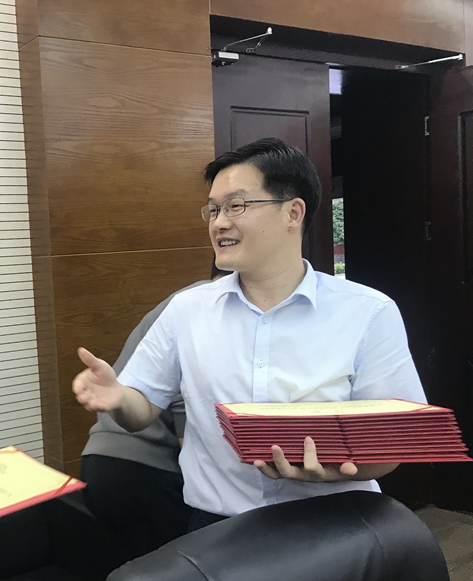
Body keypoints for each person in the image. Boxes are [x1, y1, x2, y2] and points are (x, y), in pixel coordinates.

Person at [73, 137, 426, 532]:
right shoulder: (186, 310)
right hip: (218, 529)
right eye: (213, 209)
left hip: (336, 524)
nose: (219, 222)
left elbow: (394, 443)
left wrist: (340, 470)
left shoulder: (368, 311)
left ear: (293, 213)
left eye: (236, 206)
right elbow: (141, 412)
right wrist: (118, 397)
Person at [80, 262, 230, 556]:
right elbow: (187, 413)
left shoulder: (184, 298)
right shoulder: (205, 306)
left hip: (101, 460)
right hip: (145, 469)